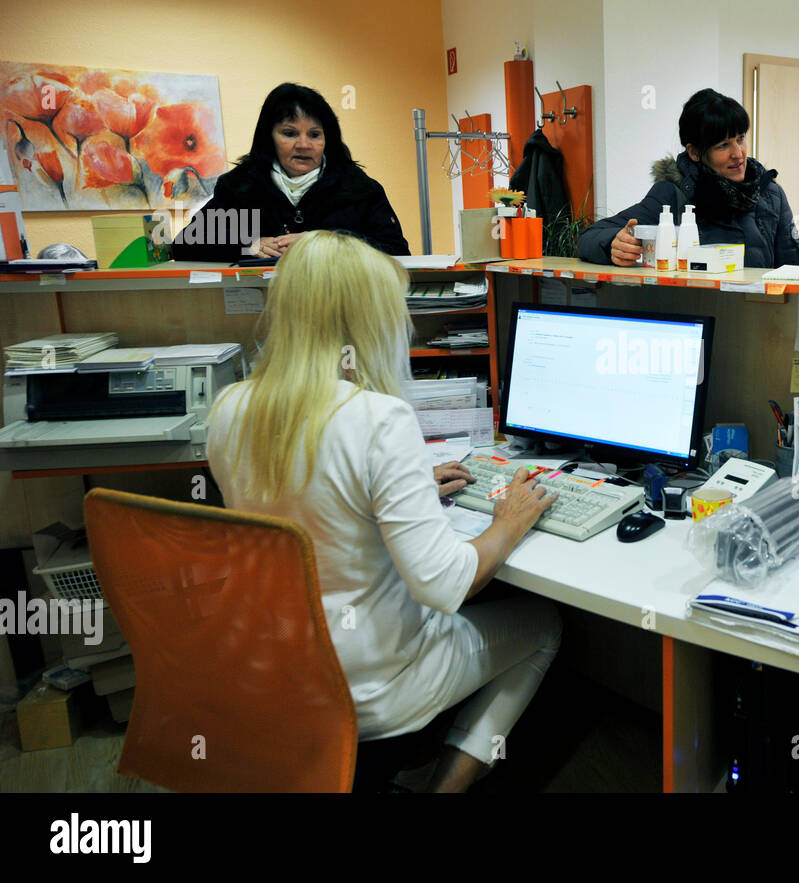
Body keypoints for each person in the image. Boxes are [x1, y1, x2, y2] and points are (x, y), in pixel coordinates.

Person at [206, 230, 558, 792]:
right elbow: (446, 585)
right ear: (367, 321)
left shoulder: (230, 408)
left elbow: (313, 506)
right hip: (371, 688)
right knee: (545, 624)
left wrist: (408, 486)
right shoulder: (377, 418)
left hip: (273, 671)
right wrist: (510, 520)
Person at [172, 83, 408, 261]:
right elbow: (185, 244)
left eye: (314, 135)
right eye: (290, 133)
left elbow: (397, 252)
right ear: (269, 138)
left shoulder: (359, 188)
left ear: (327, 139)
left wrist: (326, 243)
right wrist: (249, 244)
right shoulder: (239, 187)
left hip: (342, 305)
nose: (304, 145)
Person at [578, 88, 799, 269]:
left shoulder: (770, 194)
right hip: (698, 320)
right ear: (695, 152)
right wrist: (613, 244)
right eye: (723, 145)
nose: (738, 153)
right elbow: (589, 237)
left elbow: (796, 269)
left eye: (740, 138)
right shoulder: (673, 194)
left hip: (758, 319)